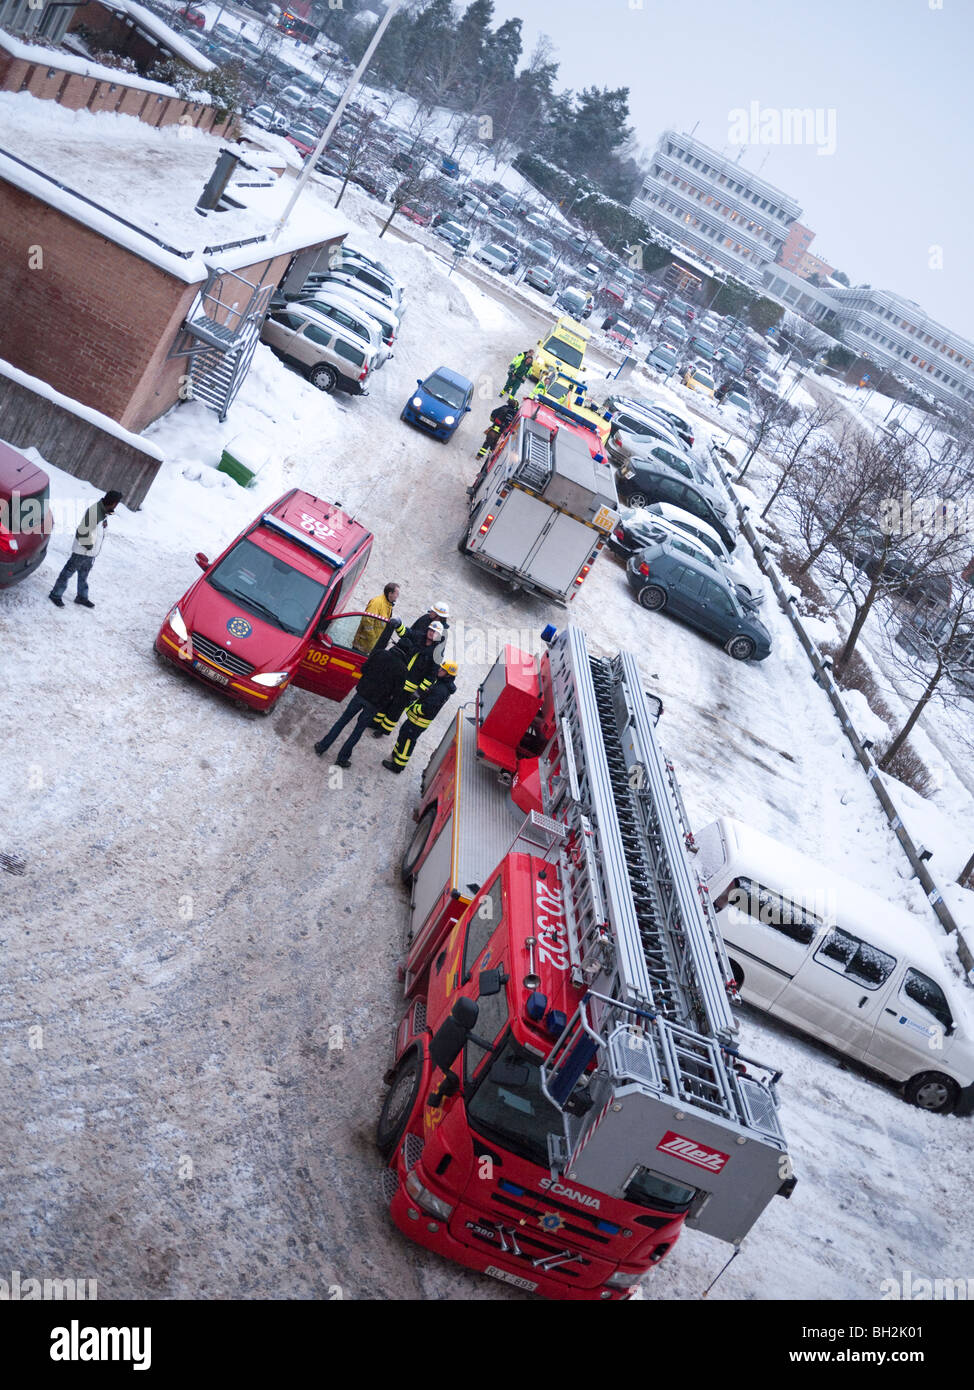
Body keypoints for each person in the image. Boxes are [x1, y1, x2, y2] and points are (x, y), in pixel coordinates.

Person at [313, 642, 408, 769]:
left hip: (361, 695)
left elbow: (363, 669)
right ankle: (342, 759)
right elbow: (396, 693)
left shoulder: (380, 654)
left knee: (342, 721)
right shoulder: (402, 670)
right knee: (357, 731)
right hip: (375, 704)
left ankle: (322, 746)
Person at [49, 489, 123, 609]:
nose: (116, 506)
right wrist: (89, 548)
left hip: (90, 553)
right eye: (117, 503)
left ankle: (82, 597)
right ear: (113, 503)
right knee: (67, 573)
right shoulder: (94, 512)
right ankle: (55, 594)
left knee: (83, 575)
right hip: (82, 552)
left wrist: (92, 551)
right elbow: (82, 532)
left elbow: (102, 525)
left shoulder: (103, 511)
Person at [382, 661, 458, 773]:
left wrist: (414, 708)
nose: (439, 670)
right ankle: (396, 753)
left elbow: (427, 708)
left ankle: (398, 766)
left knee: (407, 741)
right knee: (404, 735)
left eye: (442, 670)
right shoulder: (441, 684)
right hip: (417, 720)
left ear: (448, 674)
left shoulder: (441, 690)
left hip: (418, 721)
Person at [371, 620, 443, 736]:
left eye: (435, 632)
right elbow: (405, 633)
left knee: (396, 709)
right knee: (385, 700)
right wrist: (398, 625)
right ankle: (374, 722)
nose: (431, 633)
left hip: (409, 688)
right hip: (397, 678)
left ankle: (383, 730)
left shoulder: (436, 654)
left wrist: (418, 692)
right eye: (431, 630)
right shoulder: (419, 637)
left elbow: (432, 676)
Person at [352, 581, 402, 654]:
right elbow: (367, 621)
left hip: (371, 646)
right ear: (390, 593)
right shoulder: (377, 603)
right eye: (396, 593)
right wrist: (373, 638)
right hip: (362, 645)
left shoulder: (388, 605)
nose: (398, 596)